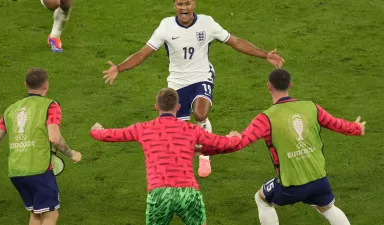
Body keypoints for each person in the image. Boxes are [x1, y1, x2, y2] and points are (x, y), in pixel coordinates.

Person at [102, 0, 285, 177]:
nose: (184, 8)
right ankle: (191, 156)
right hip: (177, 83)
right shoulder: (166, 27)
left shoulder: (207, 23)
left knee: (200, 114)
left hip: (201, 76)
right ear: (174, 6)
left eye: (187, 3)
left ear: (194, 4)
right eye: (180, 4)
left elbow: (235, 42)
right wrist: (118, 67)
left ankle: (205, 155)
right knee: (179, 135)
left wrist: (265, 54)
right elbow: (142, 54)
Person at [200, 68, 366, 225]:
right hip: (319, 179)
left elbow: (238, 144)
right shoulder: (312, 107)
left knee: (262, 199)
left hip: (291, 184)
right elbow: (337, 124)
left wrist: (205, 149)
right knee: (328, 208)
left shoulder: (265, 119)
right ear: (291, 85)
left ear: (268, 86)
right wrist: (356, 128)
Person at [90, 88, 242, 225]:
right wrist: (234, 137)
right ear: (178, 107)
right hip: (187, 192)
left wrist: (96, 131)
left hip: (159, 193)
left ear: (156, 107)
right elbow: (220, 143)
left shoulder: (142, 129)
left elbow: (112, 135)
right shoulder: (191, 129)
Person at [0, 68, 82, 225]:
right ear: (46, 85)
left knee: (36, 214)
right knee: (51, 215)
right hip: (39, 170)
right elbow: (54, 138)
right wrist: (72, 154)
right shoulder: (50, 106)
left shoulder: (10, 110)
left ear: (25, 84)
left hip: (16, 172)